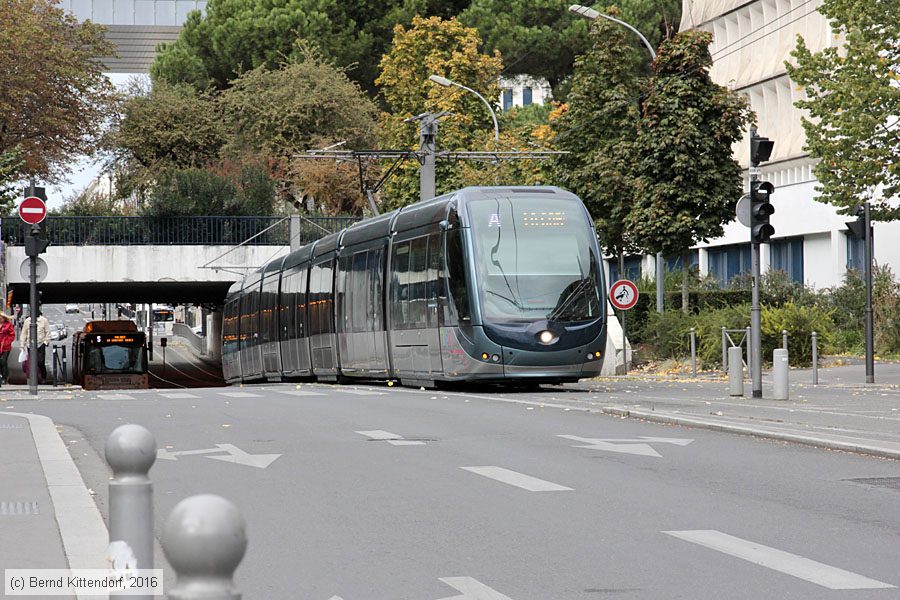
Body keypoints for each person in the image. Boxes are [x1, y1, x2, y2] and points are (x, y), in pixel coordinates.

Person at [20, 310, 50, 384]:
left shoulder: (44, 321)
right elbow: (24, 333)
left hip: (41, 344)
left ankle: (43, 376)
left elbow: (48, 332)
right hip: (30, 344)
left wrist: (45, 342)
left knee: (40, 362)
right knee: (32, 362)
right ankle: (34, 378)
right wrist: (22, 344)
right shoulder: (27, 321)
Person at [0, 313, 15, 386]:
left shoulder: (8, 325)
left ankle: (4, 377)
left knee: (3, 361)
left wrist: (6, 343)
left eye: (2, 317)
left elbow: (12, 335)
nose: (0, 318)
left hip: (5, 347)